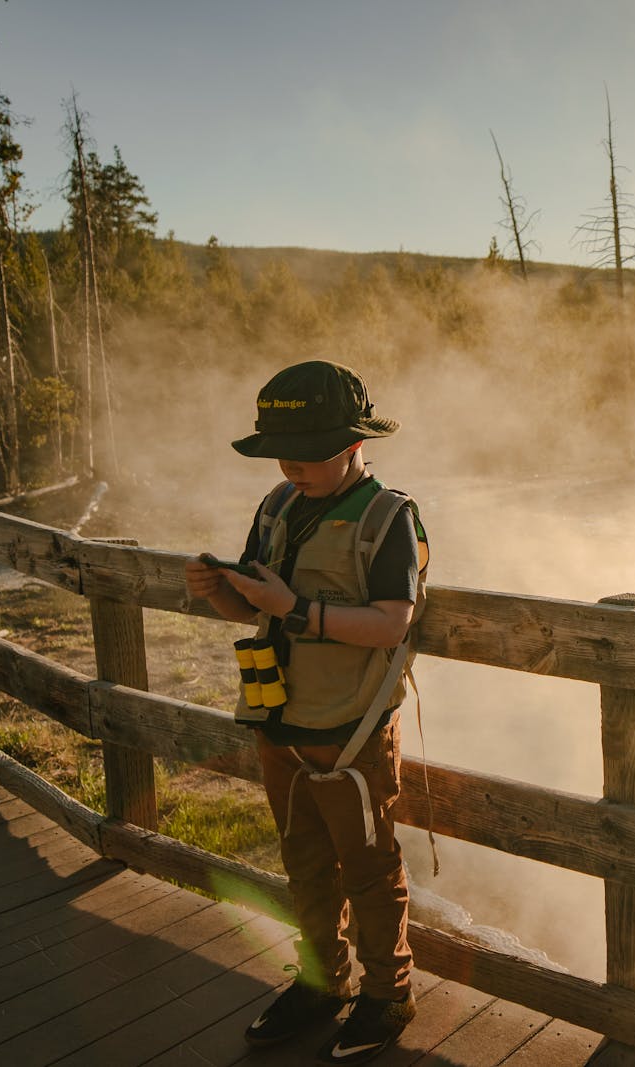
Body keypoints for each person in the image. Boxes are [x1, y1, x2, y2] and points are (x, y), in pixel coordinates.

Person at [185, 359, 429, 1066]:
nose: (292, 464)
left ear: (355, 442)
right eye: (281, 450)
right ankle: (322, 983)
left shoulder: (388, 516)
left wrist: (297, 608)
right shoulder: (278, 505)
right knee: (305, 862)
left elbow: (392, 623)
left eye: (308, 449)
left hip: (352, 729)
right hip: (279, 722)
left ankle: (389, 995)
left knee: (370, 867)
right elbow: (253, 606)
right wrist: (217, 590)